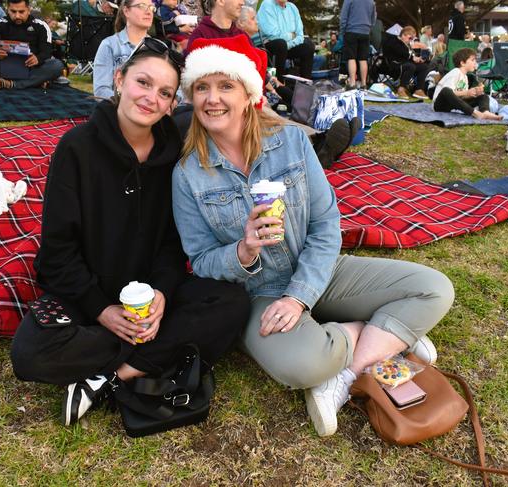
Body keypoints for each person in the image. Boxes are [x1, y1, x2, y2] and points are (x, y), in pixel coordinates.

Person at [173, 34, 455, 437]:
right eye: (202, 87)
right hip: (259, 292)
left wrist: (299, 295)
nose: (212, 98)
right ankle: (380, 333)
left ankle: (347, 374)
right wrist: (244, 248)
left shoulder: (290, 141)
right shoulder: (187, 174)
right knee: (303, 367)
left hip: (320, 270)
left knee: (434, 288)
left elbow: (325, 223)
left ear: (247, 91)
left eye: (225, 86)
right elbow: (200, 260)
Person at [10, 37, 250, 426]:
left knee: (231, 303)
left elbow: (174, 246)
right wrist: (101, 310)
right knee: (31, 352)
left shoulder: (176, 156)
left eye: (165, 92)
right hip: (87, 296)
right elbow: (57, 253)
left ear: (173, 103)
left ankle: (109, 378)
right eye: (143, 83)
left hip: (147, 297)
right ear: (120, 80)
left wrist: (160, 293)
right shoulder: (77, 148)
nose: (151, 98)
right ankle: (156, 352)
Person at [0, 0, 64, 89]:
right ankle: (36, 82)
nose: (17, 16)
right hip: (6, 66)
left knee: (57, 65)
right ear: (7, 10)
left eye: (21, 12)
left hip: (32, 68)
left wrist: (38, 59)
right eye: (13, 11)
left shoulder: (41, 26)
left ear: (28, 10)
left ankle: (12, 84)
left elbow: (47, 51)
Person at [93, 0, 154, 99]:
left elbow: (176, 91)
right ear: (126, 11)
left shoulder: (160, 48)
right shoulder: (110, 45)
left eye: (151, 7)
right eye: (142, 6)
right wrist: (131, 102)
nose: (149, 12)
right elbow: (101, 91)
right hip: (120, 110)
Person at [433, 48, 502, 120]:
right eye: (472, 60)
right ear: (462, 63)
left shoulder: (465, 77)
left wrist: (474, 93)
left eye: (475, 60)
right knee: (446, 90)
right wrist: (467, 92)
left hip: (453, 105)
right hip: (440, 104)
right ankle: (475, 113)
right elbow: (448, 93)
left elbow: (462, 96)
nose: (475, 63)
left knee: (483, 96)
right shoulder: (455, 72)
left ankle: (486, 112)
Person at [256, 0, 314, 81]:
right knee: (280, 44)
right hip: (267, 44)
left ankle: (305, 83)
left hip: (286, 46)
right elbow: (273, 35)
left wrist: (289, 44)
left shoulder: (292, 8)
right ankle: (279, 83)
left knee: (308, 45)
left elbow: (300, 35)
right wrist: (291, 35)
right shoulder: (267, 4)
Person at [382, 25, 432, 99]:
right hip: (394, 65)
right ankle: (401, 89)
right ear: (403, 35)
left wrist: (417, 59)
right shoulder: (393, 40)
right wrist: (412, 57)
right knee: (411, 66)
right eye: (410, 38)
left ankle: (419, 90)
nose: (411, 40)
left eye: (412, 39)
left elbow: (407, 56)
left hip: (405, 64)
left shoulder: (405, 44)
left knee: (424, 67)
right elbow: (401, 52)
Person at [339, 0, 376, 89]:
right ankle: (364, 84)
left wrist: (343, 31)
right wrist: (368, 29)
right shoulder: (371, 2)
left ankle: (352, 83)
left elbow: (343, 17)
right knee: (363, 59)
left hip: (351, 31)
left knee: (351, 58)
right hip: (365, 32)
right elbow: (373, 19)